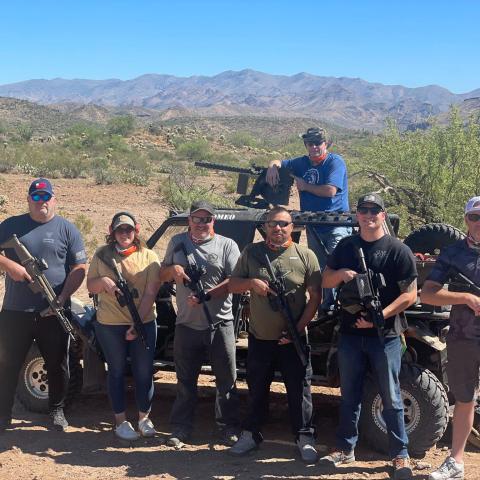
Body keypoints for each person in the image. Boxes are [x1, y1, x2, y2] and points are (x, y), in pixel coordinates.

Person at [318, 193, 417, 480]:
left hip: (384, 336)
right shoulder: (346, 247)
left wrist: (380, 316)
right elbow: (325, 279)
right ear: (357, 215)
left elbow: (410, 294)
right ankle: (345, 448)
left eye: (375, 210)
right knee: (349, 393)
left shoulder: (398, 250)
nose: (369, 214)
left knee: (392, 396)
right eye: (363, 210)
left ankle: (400, 455)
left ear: (383, 215)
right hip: (350, 334)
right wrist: (343, 275)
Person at [227, 206, 321, 464]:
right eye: (272, 224)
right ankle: (250, 434)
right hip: (261, 338)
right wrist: (251, 284)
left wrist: (298, 329)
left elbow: (315, 298)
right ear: (265, 227)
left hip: (294, 338)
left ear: (292, 227)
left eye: (283, 224)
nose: (278, 229)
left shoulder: (305, 255)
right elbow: (233, 284)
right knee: (257, 388)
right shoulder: (252, 252)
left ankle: (304, 437)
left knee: (299, 389)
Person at [0, 178, 87, 432]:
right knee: (7, 363)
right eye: (36, 197)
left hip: (54, 310)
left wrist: (62, 298)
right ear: (28, 199)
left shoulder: (67, 229)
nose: (42, 202)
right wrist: (10, 266)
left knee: (57, 363)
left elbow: (79, 267)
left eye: (46, 197)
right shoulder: (11, 225)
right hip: (16, 311)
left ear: (54, 199)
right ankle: (3, 415)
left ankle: (56, 410)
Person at [159, 200, 241, 448]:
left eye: (207, 219)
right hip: (186, 324)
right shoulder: (177, 243)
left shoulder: (227, 245)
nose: (202, 223)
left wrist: (207, 295)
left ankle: (229, 428)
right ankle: (180, 428)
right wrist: (173, 269)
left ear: (213, 221)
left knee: (227, 382)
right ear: (189, 221)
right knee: (185, 382)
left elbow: (235, 281)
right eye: (197, 218)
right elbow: (161, 275)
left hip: (220, 323)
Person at [87, 211, 161, 441]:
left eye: (129, 229)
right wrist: (104, 282)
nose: (125, 234)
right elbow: (90, 286)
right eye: (120, 230)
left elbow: (151, 292)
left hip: (144, 322)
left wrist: (136, 324)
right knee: (116, 371)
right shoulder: (102, 255)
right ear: (113, 232)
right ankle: (120, 421)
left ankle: (143, 419)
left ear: (136, 230)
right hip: (109, 324)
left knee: (143, 372)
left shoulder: (149, 256)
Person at [420, 196, 480, 480]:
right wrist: (465, 297)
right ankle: (456, 462)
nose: (479, 223)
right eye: (475, 217)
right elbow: (428, 293)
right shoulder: (452, 253)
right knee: (465, 398)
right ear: (466, 220)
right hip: (463, 336)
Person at [265, 127, 350, 307]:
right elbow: (279, 161)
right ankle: (325, 308)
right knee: (318, 269)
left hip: (337, 224)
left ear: (326, 144)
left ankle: (338, 307)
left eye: (318, 143)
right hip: (313, 226)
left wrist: (304, 186)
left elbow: (330, 191)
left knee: (335, 267)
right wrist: (272, 166)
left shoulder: (335, 162)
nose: (313, 147)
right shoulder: (301, 162)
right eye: (309, 143)